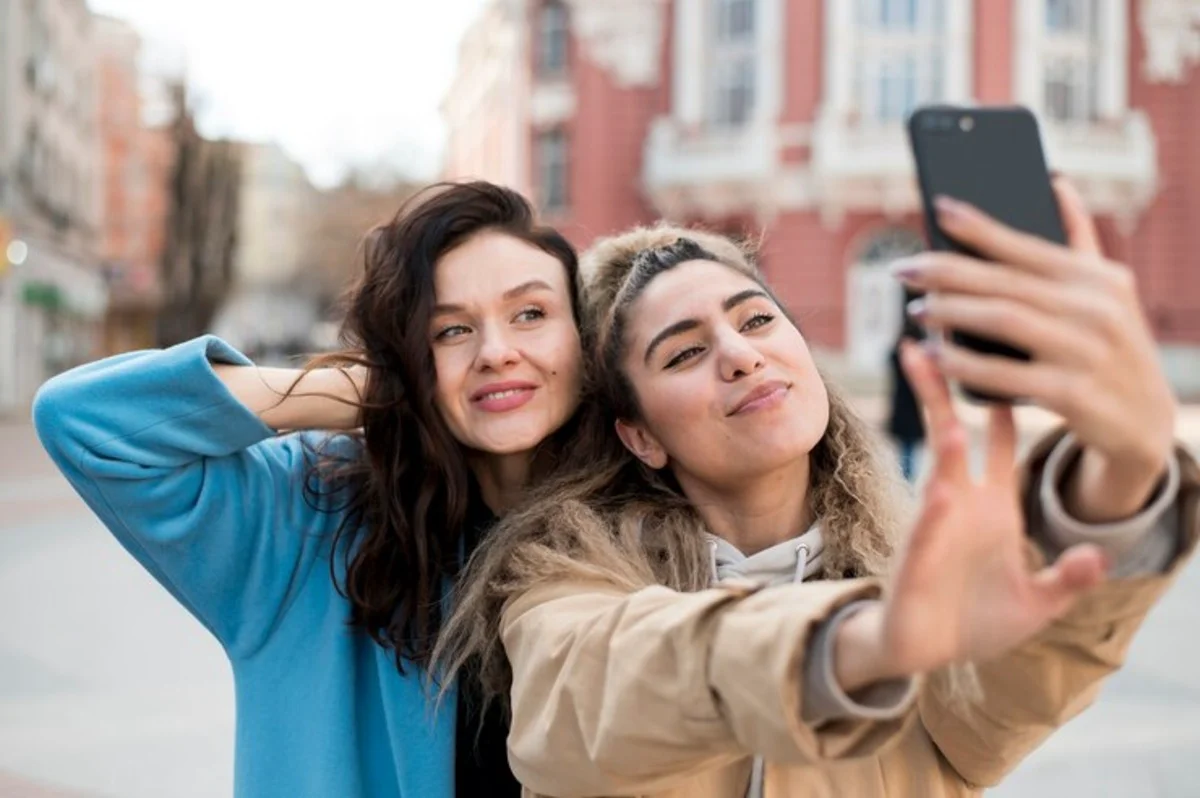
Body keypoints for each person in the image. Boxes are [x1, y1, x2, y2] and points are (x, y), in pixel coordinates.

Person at [434, 180, 1195, 797]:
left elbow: (1015, 685)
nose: (739, 355)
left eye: (757, 319)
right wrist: (859, 645)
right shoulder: (557, 579)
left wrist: (1125, 470)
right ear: (640, 435)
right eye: (684, 352)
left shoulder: (914, 575)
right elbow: (599, 696)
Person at [32, 182, 585, 797]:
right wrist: (367, 395)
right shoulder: (313, 519)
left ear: (586, 338)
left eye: (530, 314)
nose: (496, 352)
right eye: (449, 331)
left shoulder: (654, 527)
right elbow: (84, 420)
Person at [887, 288, 926, 481]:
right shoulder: (919, 354)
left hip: (904, 406)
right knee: (909, 454)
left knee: (906, 451)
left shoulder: (898, 350)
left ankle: (905, 484)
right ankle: (906, 486)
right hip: (912, 408)